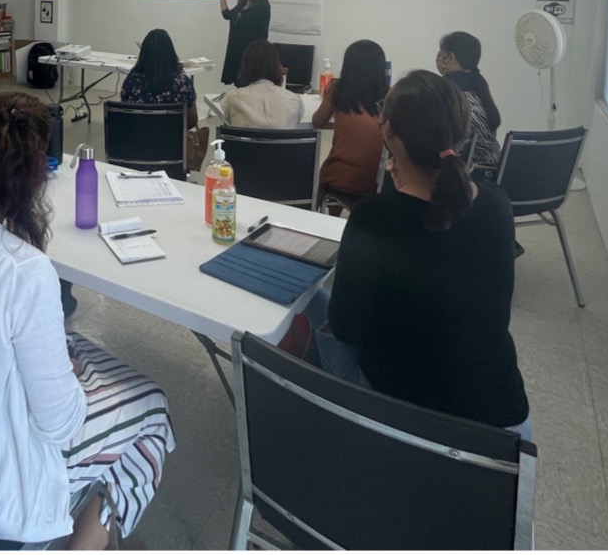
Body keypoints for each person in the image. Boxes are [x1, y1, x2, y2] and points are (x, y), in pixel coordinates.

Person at [0, 92, 175, 547]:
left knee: (73, 350)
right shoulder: (23, 270)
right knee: (152, 406)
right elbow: (61, 424)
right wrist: (79, 383)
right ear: (31, 181)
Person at [302, 70, 530, 436]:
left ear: (388, 130)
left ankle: (324, 421)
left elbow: (346, 327)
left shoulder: (374, 217)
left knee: (310, 298)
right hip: (503, 420)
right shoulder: (497, 204)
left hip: (410, 413)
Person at [312, 39, 390, 215]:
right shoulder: (389, 95)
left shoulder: (338, 89)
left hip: (342, 180)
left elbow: (317, 121)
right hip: (377, 182)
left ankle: (325, 217)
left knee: (332, 165)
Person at [122, 29, 205, 169]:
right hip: (172, 152)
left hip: (137, 149)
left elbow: (125, 114)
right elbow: (192, 121)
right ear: (171, 53)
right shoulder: (182, 82)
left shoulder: (132, 80)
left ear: (143, 53)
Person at [436, 32, 503, 178]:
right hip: (494, 171)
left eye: (441, 54)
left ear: (451, 57)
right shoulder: (479, 83)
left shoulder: (444, 89)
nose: (438, 58)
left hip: (465, 175)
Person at [221, 40, 302, 129]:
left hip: (243, 143)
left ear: (245, 66)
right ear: (277, 67)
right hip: (281, 142)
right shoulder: (295, 101)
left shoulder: (232, 98)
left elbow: (227, 120)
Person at [216, 0, 271, 84]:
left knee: (248, 82)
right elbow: (226, 15)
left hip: (250, 53)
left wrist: (258, 56)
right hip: (235, 50)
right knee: (238, 81)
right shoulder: (241, 6)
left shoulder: (262, 7)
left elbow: (263, 34)